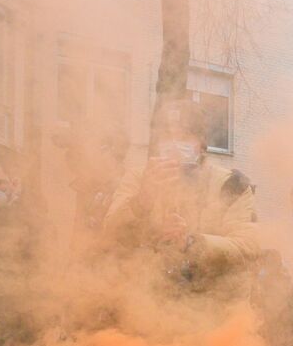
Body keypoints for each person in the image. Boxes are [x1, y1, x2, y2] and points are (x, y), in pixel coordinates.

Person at [102, 99, 257, 292]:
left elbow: (246, 249)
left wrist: (193, 242)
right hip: (146, 302)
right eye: (167, 136)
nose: (174, 145)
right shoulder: (138, 178)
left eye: (184, 136)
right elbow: (110, 233)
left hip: (212, 306)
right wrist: (142, 200)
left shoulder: (231, 185)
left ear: (202, 144)